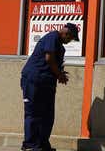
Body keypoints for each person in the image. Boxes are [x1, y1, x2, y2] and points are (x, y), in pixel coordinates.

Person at [20, 23, 79, 151]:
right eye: (70, 38)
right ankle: (30, 145)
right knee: (33, 113)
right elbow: (49, 59)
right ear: (66, 33)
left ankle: (42, 144)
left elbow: (55, 65)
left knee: (47, 115)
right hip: (34, 80)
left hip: (47, 83)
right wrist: (59, 75)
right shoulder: (52, 37)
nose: (70, 41)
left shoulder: (61, 49)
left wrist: (61, 74)